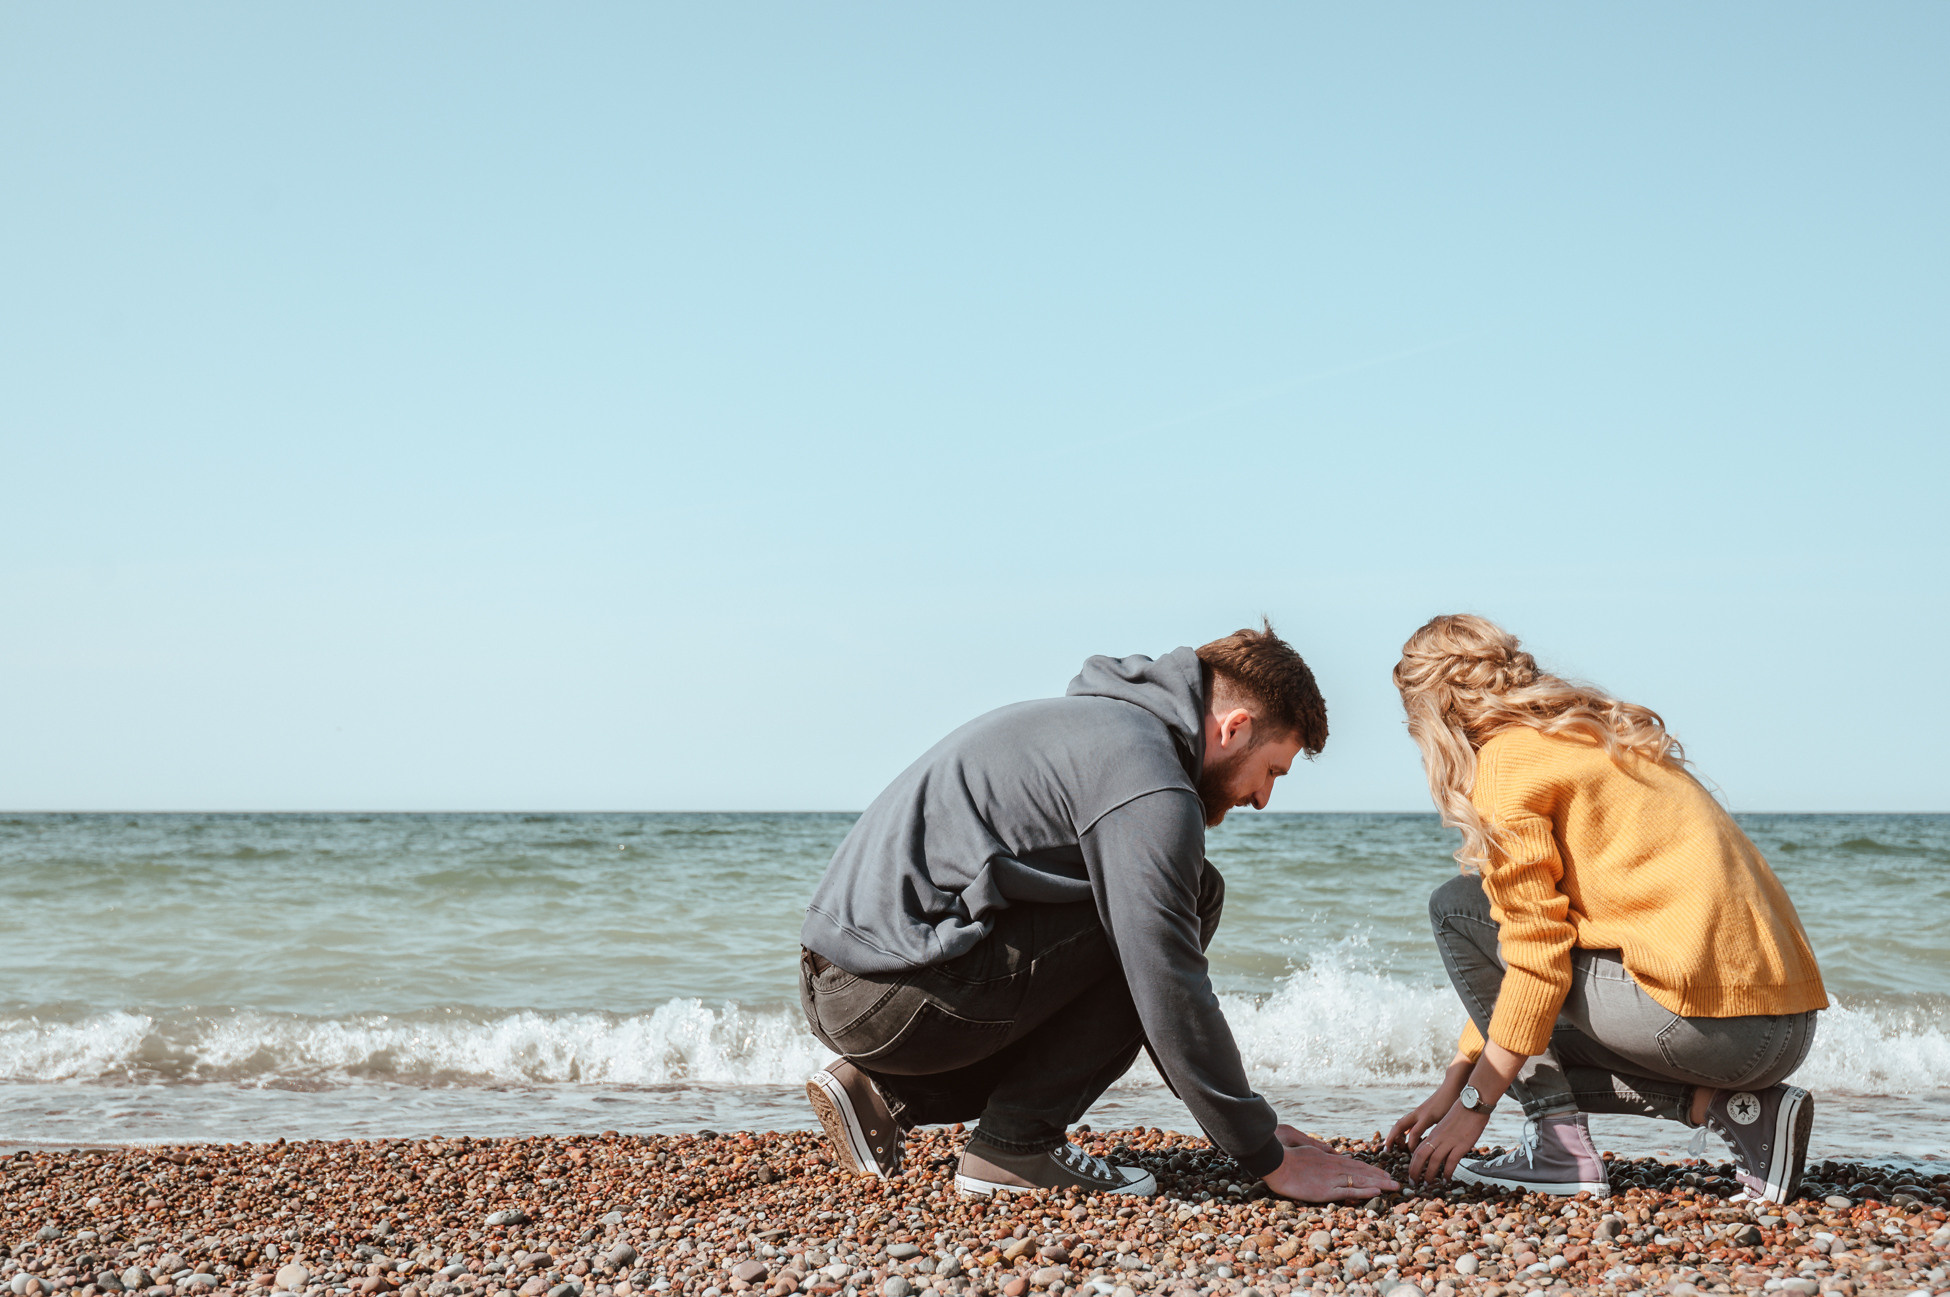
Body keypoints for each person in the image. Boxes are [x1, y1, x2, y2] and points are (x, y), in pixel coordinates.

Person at [798, 623, 1399, 1202]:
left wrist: (1251, 1130)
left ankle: (884, 1094)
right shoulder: (1149, 781)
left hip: (850, 983)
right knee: (1187, 903)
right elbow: (1167, 987)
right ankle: (1016, 1146)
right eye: (1271, 770)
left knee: (1156, 910)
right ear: (1235, 728)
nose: (1264, 799)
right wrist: (1266, 1157)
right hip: (889, 993)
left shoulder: (1102, 727)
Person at [1385, 614, 1828, 1202]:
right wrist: (1458, 1078)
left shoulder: (1505, 765)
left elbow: (1534, 965)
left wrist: (1474, 1105)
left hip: (1711, 1027)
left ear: (1434, 712)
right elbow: (1516, 971)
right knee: (1510, 1042)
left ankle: (1559, 1153)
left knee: (1456, 908)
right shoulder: (1596, 733)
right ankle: (1741, 1111)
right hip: (1782, 1027)